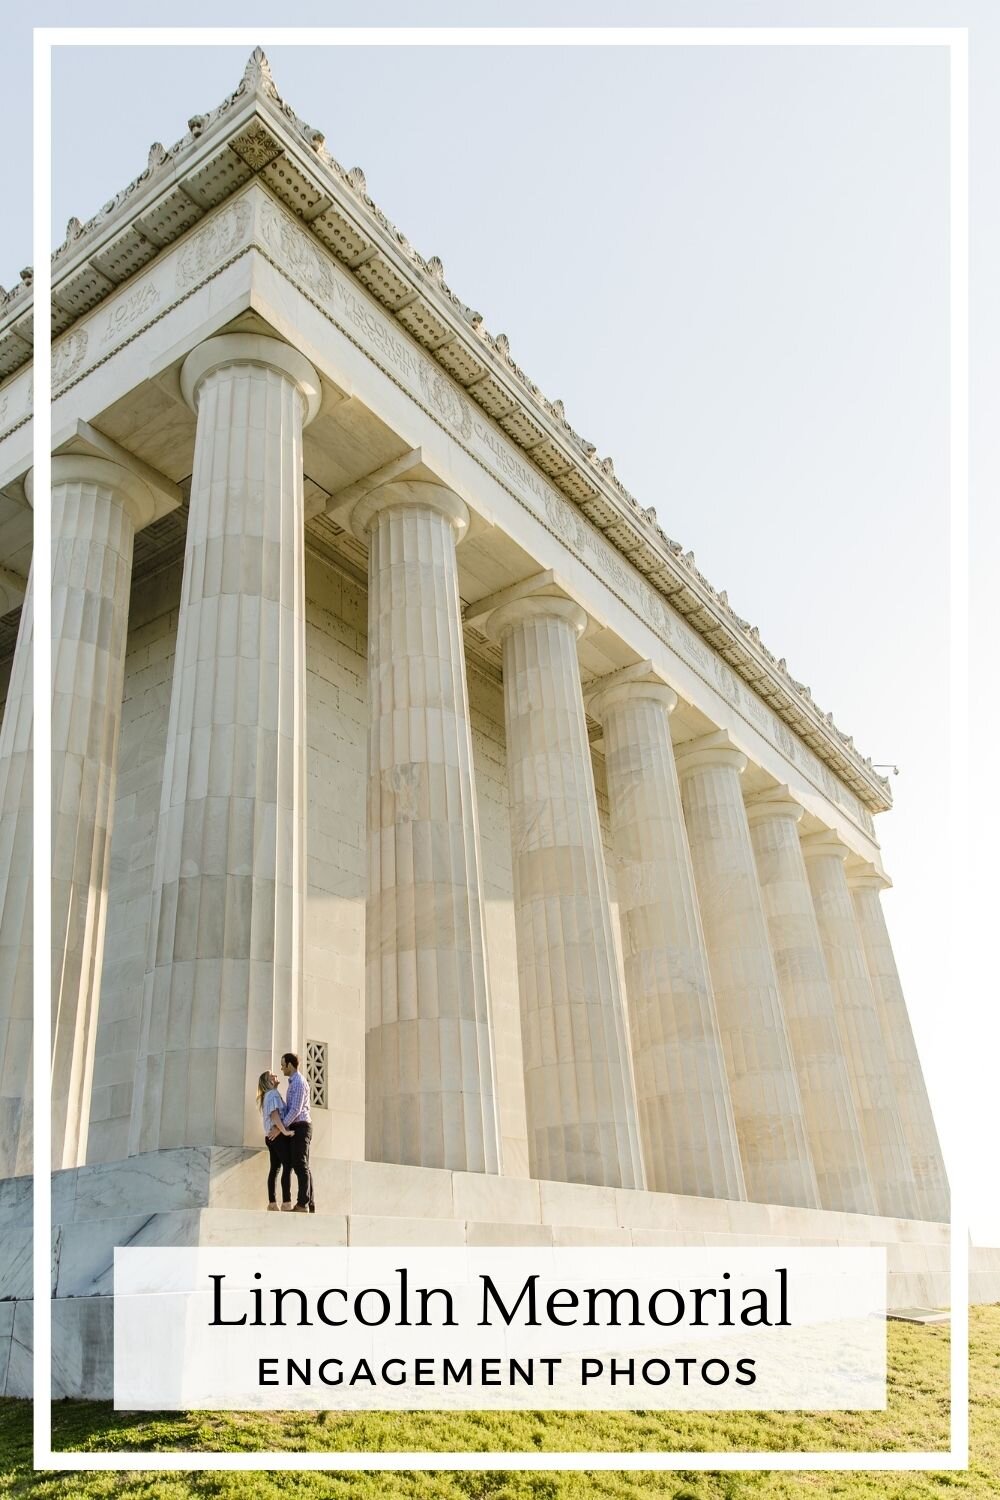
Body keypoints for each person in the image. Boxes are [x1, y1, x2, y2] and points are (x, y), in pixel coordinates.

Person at [281, 1051, 315, 1213]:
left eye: (283, 1065)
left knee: (300, 1165)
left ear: (290, 1065)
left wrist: (281, 1127)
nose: (281, 1068)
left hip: (301, 1126)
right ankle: (309, 1202)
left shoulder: (299, 1082)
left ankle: (303, 1204)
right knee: (302, 1165)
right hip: (297, 1126)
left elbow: (295, 1109)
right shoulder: (292, 1082)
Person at [256, 1071, 293, 1211]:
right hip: (277, 1137)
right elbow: (274, 1114)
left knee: (275, 1168)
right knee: (287, 1165)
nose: (275, 1075)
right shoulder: (272, 1094)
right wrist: (284, 1131)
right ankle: (286, 1202)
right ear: (268, 1081)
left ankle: (272, 1203)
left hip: (271, 1137)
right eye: (271, 1075)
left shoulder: (270, 1094)